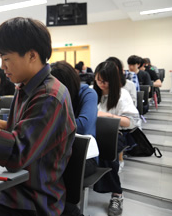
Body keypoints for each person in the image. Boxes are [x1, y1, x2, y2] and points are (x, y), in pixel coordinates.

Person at [0, 17, 76, 216]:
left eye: (6, 58)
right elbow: (17, 131)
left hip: (32, 199)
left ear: (31, 55)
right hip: (12, 186)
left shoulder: (49, 96)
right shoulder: (28, 87)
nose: (3, 67)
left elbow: (14, 155)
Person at [51, 61, 98, 216]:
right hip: (59, 152)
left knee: (52, 175)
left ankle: (67, 210)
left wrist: (46, 125)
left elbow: (83, 125)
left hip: (84, 156)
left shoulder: (88, 93)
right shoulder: (51, 95)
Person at [93, 61, 140, 216]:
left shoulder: (122, 95)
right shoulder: (93, 93)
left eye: (104, 81)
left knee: (105, 147)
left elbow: (131, 121)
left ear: (112, 80)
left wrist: (107, 116)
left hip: (116, 134)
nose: (100, 84)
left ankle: (117, 194)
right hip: (94, 133)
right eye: (97, 79)